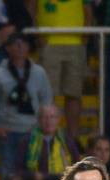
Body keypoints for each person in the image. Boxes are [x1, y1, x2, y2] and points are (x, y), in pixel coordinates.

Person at [0, 32, 53, 177]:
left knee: (32, 171)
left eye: (24, 43)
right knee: (7, 172)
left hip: (32, 131)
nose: (20, 47)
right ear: (8, 48)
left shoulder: (39, 73)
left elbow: (47, 101)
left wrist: (43, 125)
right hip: (7, 131)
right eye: (16, 44)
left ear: (28, 47)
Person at [32, 0, 91, 138]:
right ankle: (48, 137)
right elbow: (32, 8)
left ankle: (73, 139)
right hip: (49, 42)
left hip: (75, 43)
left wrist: (85, 35)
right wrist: (38, 35)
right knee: (47, 95)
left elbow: (88, 10)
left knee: (74, 94)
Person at [24, 105, 80, 180]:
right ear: (39, 120)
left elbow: (78, 163)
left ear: (58, 119)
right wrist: (32, 175)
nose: (48, 121)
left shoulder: (67, 139)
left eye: (52, 117)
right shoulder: (28, 140)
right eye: (44, 117)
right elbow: (18, 169)